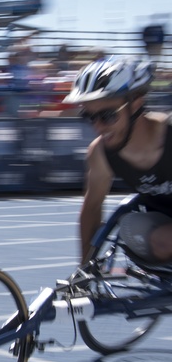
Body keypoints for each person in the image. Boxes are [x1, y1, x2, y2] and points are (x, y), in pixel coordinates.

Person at [62, 56, 170, 264]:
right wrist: (83, 272)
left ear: (136, 103)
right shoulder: (100, 153)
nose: (99, 127)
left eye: (108, 116)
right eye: (89, 117)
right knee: (133, 229)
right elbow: (92, 208)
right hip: (161, 226)